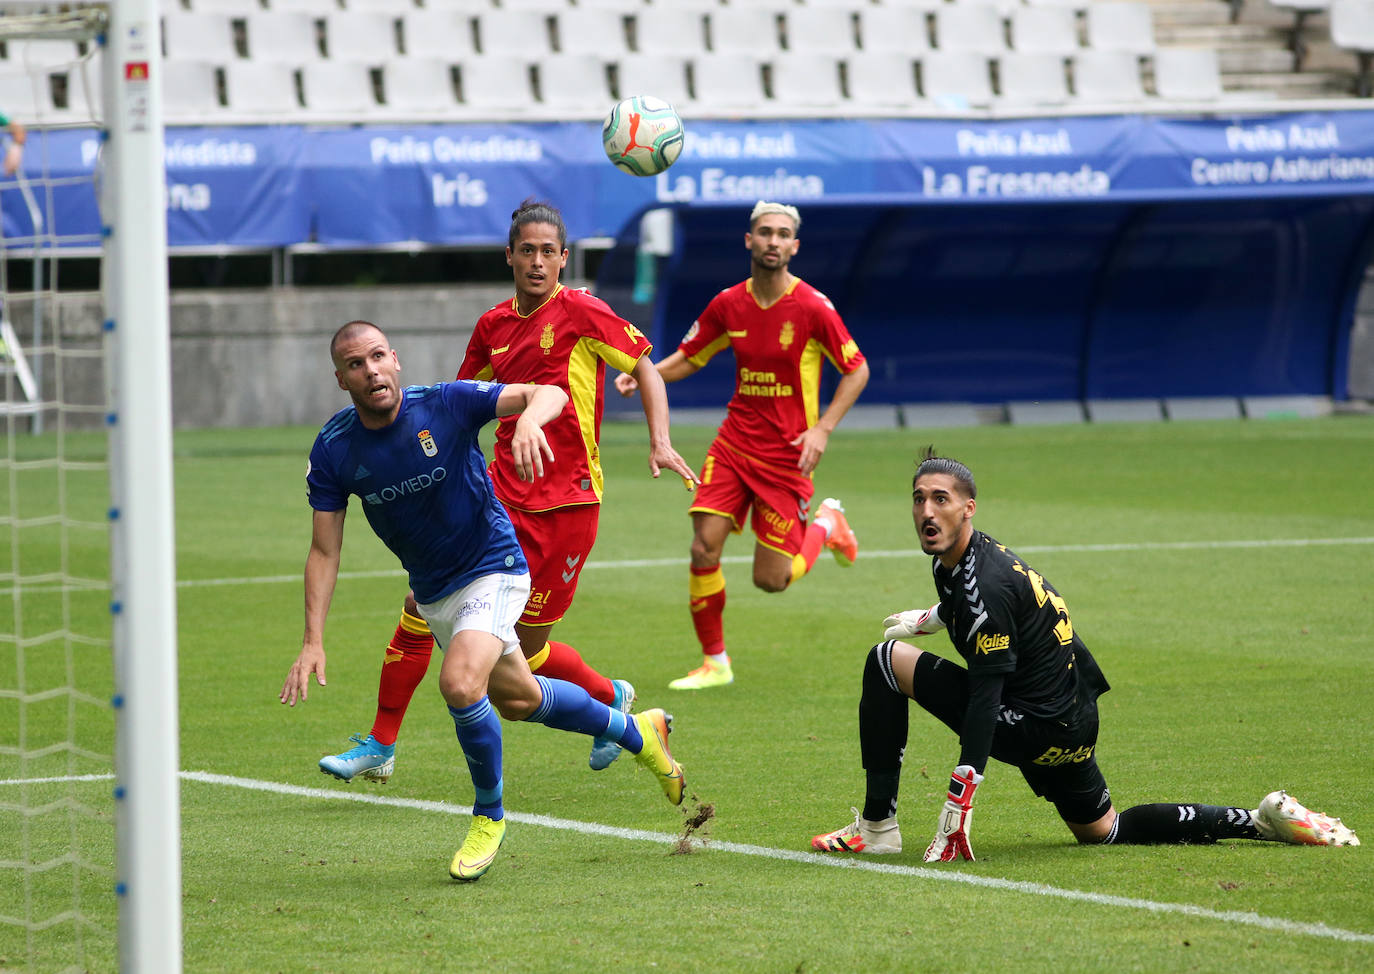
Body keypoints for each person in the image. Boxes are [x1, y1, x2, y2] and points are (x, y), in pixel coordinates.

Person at [281, 320, 684, 882]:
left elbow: (549, 392)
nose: (370, 370)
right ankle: (637, 734)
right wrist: (312, 640)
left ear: (395, 360)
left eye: (377, 356)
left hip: (494, 565)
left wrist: (527, 426)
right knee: (518, 698)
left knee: (460, 683)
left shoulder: (445, 403)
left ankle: (488, 816)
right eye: (355, 364)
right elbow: (325, 551)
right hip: (437, 589)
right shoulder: (334, 448)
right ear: (341, 379)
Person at [811, 448, 1360, 859]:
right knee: (1105, 830)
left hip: (1027, 722)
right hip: (1072, 723)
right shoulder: (968, 558)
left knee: (885, 663)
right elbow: (986, 612)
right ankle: (1256, 821)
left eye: (940, 498)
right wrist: (929, 618)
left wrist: (961, 799)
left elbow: (984, 695)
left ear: (968, 508)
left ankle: (878, 830)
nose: (926, 510)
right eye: (918, 498)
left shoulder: (986, 587)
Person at [317, 200, 699, 783]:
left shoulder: (582, 311)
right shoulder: (492, 326)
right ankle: (381, 741)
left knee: (524, 653)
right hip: (499, 498)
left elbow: (644, 363)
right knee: (420, 605)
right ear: (510, 256)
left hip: (567, 503)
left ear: (564, 259)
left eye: (549, 252)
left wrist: (660, 439)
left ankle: (609, 698)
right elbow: (461, 396)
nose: (538, 262)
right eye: (528, 251)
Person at [615, 200, 870, 690]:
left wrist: (822, 430)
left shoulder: (814, 308)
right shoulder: (728, 304)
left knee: (771, 580)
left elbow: (856, 369)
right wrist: (643, 375)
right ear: (749, 241)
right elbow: (692, 356)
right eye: (765, 232)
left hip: (786, 457)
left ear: (794, 246)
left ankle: (827, 525)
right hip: (734, 446)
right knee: (703, 546)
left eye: (782, 234)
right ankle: (716, 663)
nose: (773, 241)